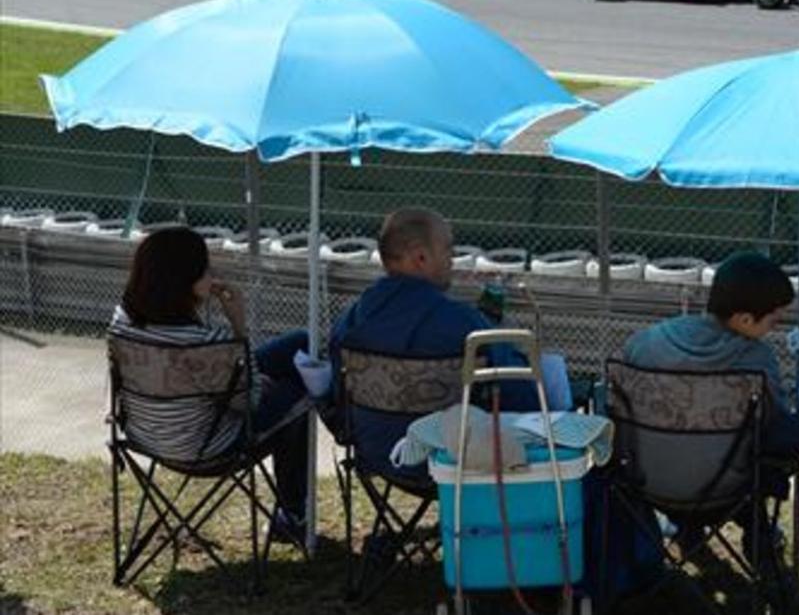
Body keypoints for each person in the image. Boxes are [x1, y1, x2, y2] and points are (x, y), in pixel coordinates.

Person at [621, 251, 799, 600]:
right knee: (762, 457)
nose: (774, 328)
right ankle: (759, 545)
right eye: (773, 321)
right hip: (727, 493)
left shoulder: (645, 343)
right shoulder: (755, 360)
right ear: (745, 319)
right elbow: (776, 426)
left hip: (648, 488)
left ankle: (687, 533)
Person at [109, 227, 310, 541]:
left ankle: (294, 513)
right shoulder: (205, 344)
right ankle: (293, 514)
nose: (211, 275)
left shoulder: (121, 323)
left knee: (298, 343)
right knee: (301, 390)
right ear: (186, 282)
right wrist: (238, 326)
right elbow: (250, 401)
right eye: (206, 269)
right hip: (208, 449)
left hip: (147, 436)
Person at [326, 207, 539, 477]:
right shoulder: (467, 326)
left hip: (378, 455)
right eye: (448, 249)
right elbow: (524, 396)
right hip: (460, 462)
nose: (452, 259)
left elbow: (336, 394)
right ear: (421, 257)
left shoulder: (350, 322)